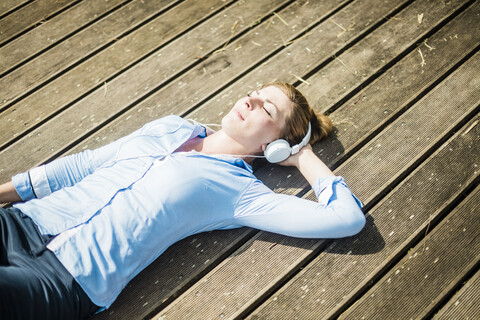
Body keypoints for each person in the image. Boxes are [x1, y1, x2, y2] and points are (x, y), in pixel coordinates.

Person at [0, 82, 365, 319]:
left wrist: (303, 156)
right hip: (23, 222)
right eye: (256, 93)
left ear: (275, 146)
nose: (251, 99)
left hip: (65, 279)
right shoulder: (171, 127)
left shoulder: (240, 192)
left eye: (267, 110)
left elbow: (345, 219)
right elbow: (85, 165)